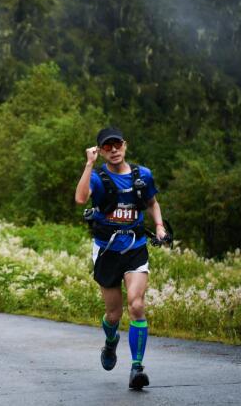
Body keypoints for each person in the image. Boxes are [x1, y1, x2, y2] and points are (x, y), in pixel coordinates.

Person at [74, 127, 168, 390]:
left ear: (125, 146)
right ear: (100, 151)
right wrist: (88, 165)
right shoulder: (97, 177)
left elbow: (151, 202)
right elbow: (81, 198)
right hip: (107, 250)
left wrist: (159, 226)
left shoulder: (143, 175)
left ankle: (137, 367)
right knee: (113, 314)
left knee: (136, 305)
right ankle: (111, 342)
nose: (114, 151)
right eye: (107, 147)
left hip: (135, 247)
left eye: (117, 145)